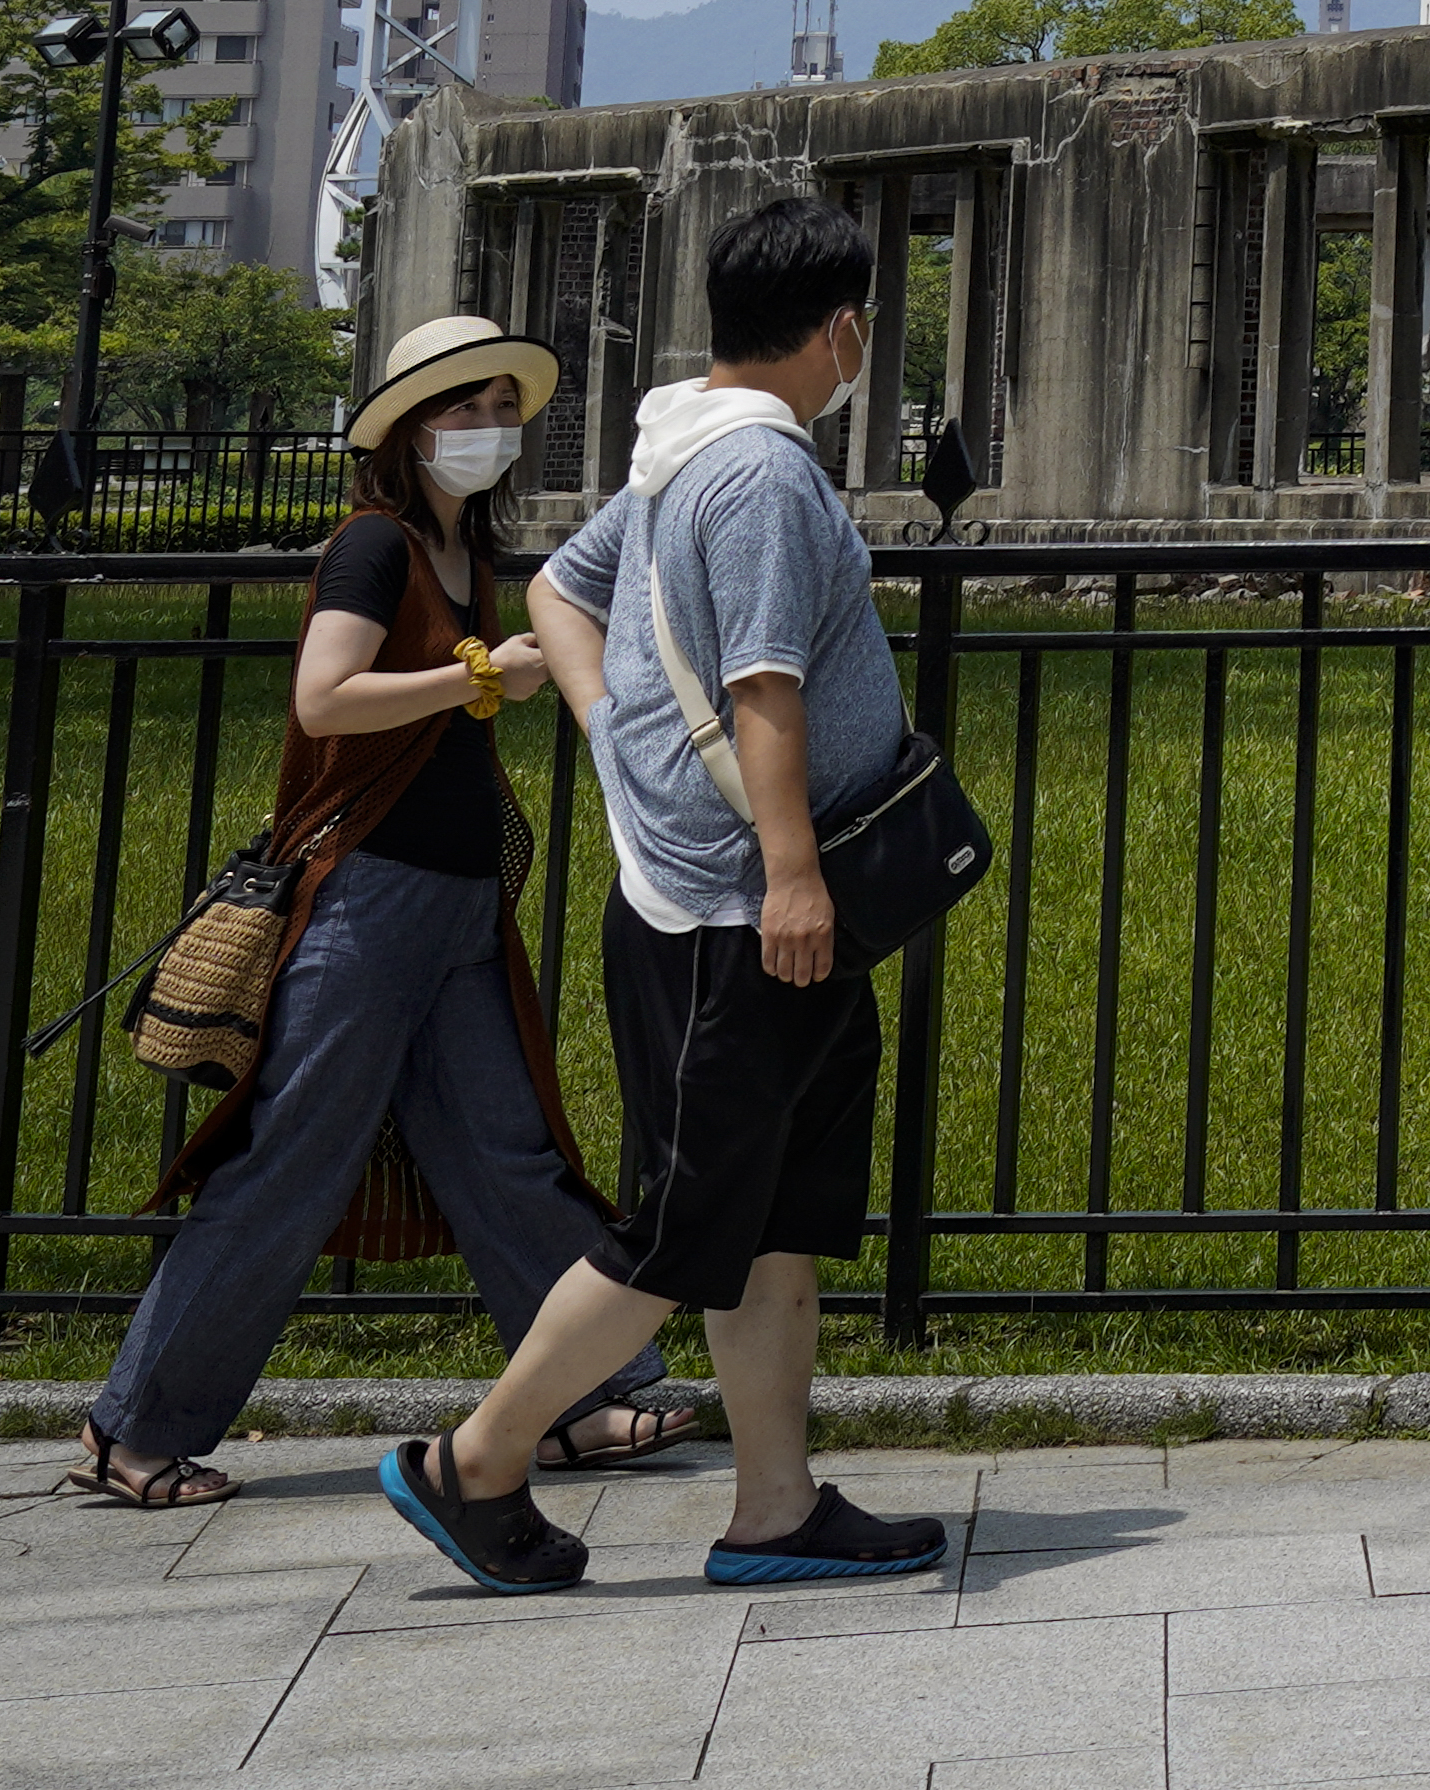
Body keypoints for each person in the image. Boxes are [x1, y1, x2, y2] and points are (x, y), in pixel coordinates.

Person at [371, 196, 945, 1599]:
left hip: (733, 899)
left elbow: (562, 596)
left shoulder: (684, 444)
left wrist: (612, 725)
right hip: (736, 915)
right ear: (843, 326)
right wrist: (794, 876)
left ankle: (774, 1506)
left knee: (775, 1220)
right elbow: (764, 688)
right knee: (682, 1227)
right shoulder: (753, 472)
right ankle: (476, 1462)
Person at [70, 319, 712, 1507]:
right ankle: (134, 1430)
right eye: (461, 408)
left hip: (457, 907)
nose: (486, 427)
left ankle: (582, 1397)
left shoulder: (466, 550)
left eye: (500, 407)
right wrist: (475, 679)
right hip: (368, 903)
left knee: (508, 1153)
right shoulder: (375, 548)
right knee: (294, 1158)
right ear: (410, 429)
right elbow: (326, 698)